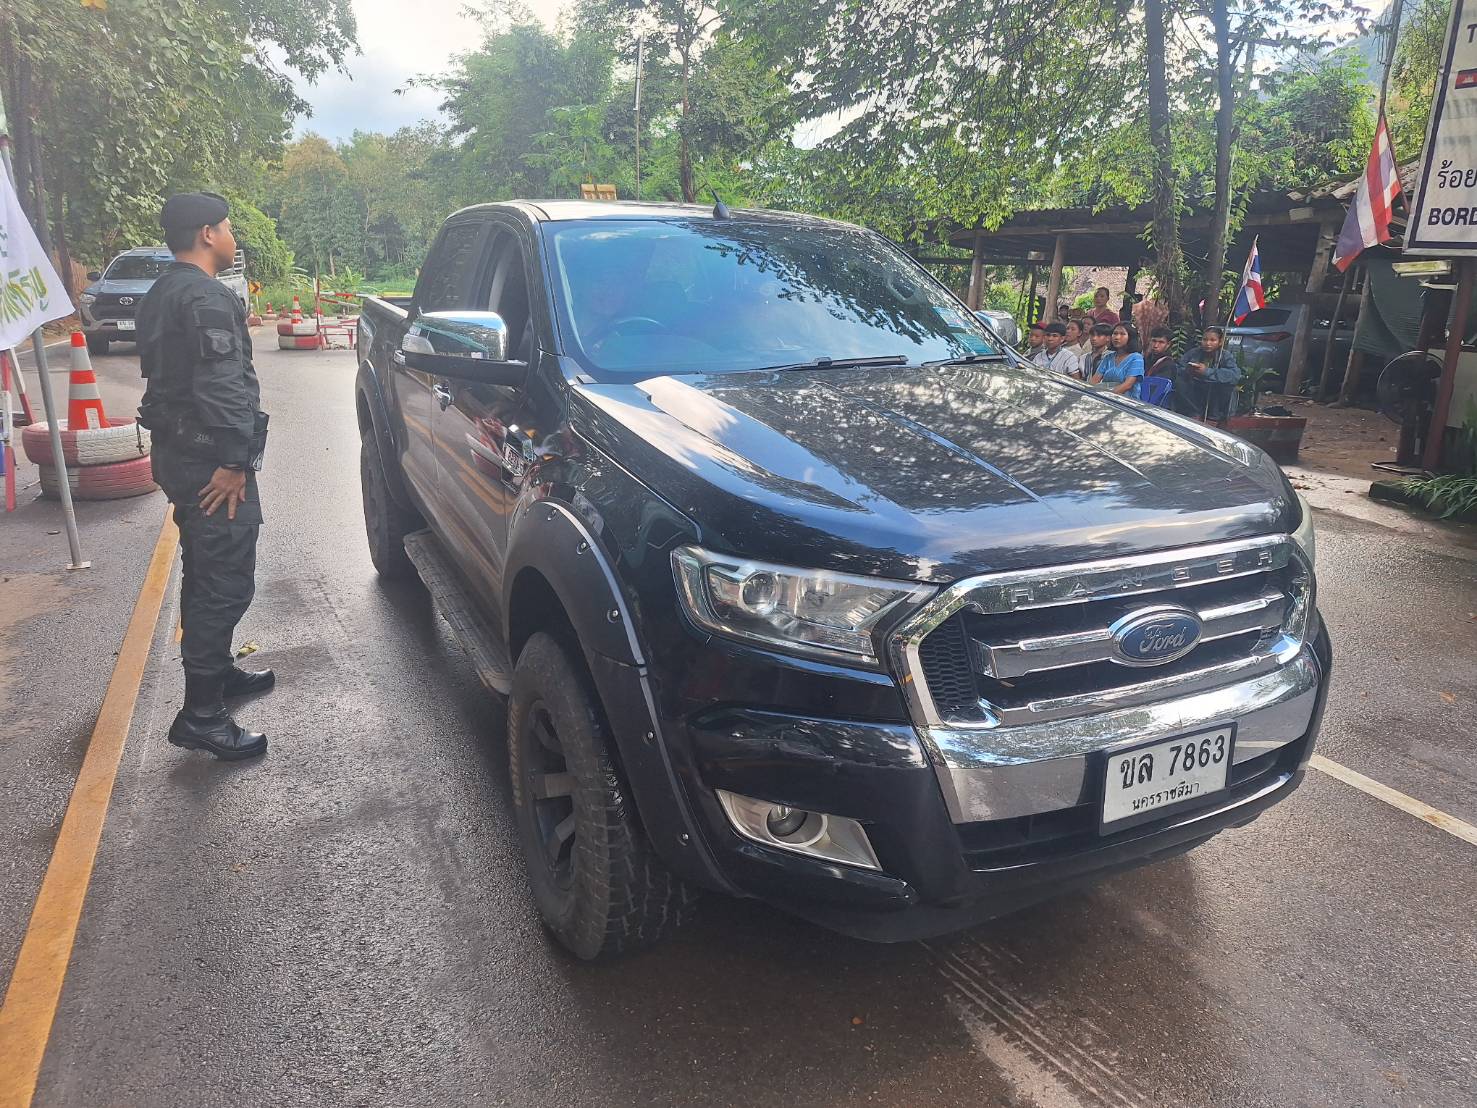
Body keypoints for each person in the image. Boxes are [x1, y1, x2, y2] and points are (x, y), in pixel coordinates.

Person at [137, 193, 272, 761]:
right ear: (208, 234)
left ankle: (217, 676)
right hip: (210, 464)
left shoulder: (163, 292)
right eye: (228, 227)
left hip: (180, 454)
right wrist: (235, 461)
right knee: (224, 581)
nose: (233, 237)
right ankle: (202, 716)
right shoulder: (205, 297)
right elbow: (221, 384)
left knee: (204, 568)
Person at [1173, 325, 1242, 419]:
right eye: (1205, 340)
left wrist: (1207, 372)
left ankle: (1216, 416)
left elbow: (1234, 375)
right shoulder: (1194, 353)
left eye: (1213, 340)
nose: (1208, 343)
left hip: (1214, 392)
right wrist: (1188, 370)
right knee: (1179, 382)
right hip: (1195, 390)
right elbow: (1179, 367)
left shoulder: (1225, 356)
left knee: (1227, 387)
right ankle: (1194, 412)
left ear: (1220, 342)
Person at [1090, 323, 1145, 398]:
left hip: (1125, 401)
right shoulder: (1108, 357)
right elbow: (1094, 380)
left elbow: (1127, 385)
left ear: (1130, 337)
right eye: (1115, 333)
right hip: (1104, 398)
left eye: (1122, 334)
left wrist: (1106, 396)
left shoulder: (1136, 358)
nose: (1117, 337)